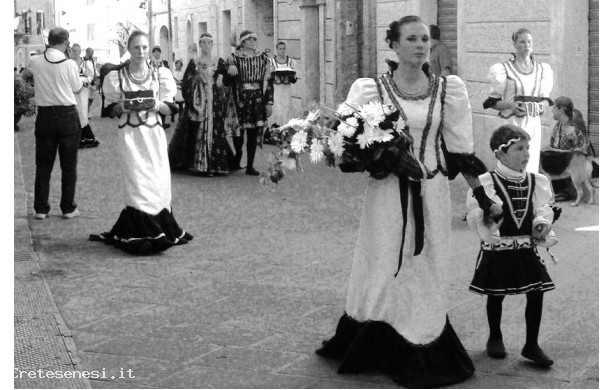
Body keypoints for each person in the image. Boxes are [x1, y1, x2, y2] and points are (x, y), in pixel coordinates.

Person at [315, 16, 501, 388]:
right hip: (385, 196)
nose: (420, 45)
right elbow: (347, 148)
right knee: (382, 260)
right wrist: (379, 159)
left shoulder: (448, 90)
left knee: (426, 263)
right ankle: (375, 337)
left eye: (425, 39)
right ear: (394, 45)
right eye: (411, 39)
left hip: (430, 193)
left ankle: (420, 337)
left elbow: (462, 152)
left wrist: (484, 196)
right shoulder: (370, 89)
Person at [91, 31, 192, 254]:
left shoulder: (160, 74)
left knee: (158, 180)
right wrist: (126, 106)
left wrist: (155, 104)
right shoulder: (117, 77)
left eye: (145, 47)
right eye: (136, 47)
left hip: (154, 134)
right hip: (130, 135)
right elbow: (112, 108)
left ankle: (161, 225)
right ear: (129, 49)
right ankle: (139, 229)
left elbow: (170, 107)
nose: (141, 52)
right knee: (136, 180)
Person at [465, 124, 557, 367]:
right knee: (497, 294)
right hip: (499, 249)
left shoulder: (536, 181)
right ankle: (495, 336)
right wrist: (489, 219)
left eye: (528, 148)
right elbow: (476, 216)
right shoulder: (487, 183)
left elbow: (540, 210)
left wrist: (541, 222)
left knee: (536, 292)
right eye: (519, 148)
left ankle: (532, 344)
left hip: (526, 248)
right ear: (500, 153)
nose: (526, 154)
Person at [29, 27, 84, 220]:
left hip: (45, 116)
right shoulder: (69, 64)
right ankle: (67, 207)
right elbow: (77, 87)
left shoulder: (35, 61)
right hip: (67, 115)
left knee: (43, 165)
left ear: (49, 41)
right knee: (69, 166)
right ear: (66, 42)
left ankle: (41, 208)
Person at [483, 28, 553, 173]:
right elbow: (493, 103)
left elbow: (546, 100)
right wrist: (511, 105)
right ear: (515, 44)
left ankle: (528, 192)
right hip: (512, 124)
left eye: (529, 41)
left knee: (530, 162)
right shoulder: (504, 69)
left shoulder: (541, 70)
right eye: (522, 41)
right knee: (512, 161)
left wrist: (541, 106)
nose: (527, 45)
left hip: (533, 123)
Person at [168, 33, 232, 175]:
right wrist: (195, 79)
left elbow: (226, 80)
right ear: (200, 45)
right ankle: (199, 164)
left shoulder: (218, 62)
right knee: (196, 129)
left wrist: (223, 76)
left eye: (209, 43)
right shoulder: (194, 62)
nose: (206, 46)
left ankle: (215, 165)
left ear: (212, 45)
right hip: (199, 101)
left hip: (214, 102)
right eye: (203, 43)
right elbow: (185, 82)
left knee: (215, 130)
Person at [226, 30, 274, 175]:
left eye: (254, 39)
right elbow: (226, 76)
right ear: (243, 42)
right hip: (239, 97)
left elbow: (269, 80)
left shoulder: (263, 58)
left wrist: (269, 102)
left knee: (253, 132)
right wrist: (230, 68)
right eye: (250, 39)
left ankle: (250, 165)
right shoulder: (234, 58)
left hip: (257, 98)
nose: (253, 41)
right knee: (239, 132)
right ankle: (238, 154)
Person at [70, 43, 99, 149]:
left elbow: (90, 76)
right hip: (71, 91)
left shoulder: (86, 63)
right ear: (71, 51)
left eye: (77, 50)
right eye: (74, 50)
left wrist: (84, 81)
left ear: (80, 51)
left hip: (83, 90)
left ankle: (86, 138)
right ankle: (82, 138)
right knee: (75, 112)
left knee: (82, 112)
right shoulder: (68, 63)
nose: (76, 52)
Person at [268, 41, 297, 129]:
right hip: (276, 89)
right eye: (280, 49)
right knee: (277, 108)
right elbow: (268, 77)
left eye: (284, 48)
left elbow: (295, 79)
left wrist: (291, 74)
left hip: (286, 88)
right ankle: (275, 130)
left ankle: (286, 129)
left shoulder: (290, 61)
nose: (282, 51)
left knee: (286, 108)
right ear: (276, 50)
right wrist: (273, 74)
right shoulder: (271, 61)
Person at [151, 45, 171, 129]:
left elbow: (168, 73)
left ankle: (163, 121)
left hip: (163, 85)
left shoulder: (164, 62)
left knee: (164, 102)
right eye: (155, 52)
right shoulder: (149, 63)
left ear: (160, 52)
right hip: (153, 85)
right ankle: (156, 122)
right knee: (155, 103)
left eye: (158, 51)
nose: (156, 53)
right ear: (153, 53)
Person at [84, 47, 99, 116]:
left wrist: (96, 79)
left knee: (92, 98)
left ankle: (88, 110)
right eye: (91, 53)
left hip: (93, 82)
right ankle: (86, 112)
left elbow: (94, 70)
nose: (92, 54)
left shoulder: (92, 60)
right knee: (86, 98)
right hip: (86, 82)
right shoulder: (83, 61)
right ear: (87, 52)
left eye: (92, 53)